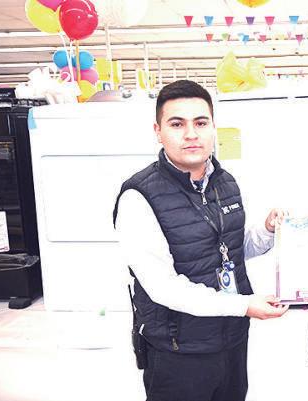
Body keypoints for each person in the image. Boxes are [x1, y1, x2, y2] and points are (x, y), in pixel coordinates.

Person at [113, 79, 288, 401]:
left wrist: (267, 230)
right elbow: (163, 287)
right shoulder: (138, 196)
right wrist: (244, 305)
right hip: (178, 349)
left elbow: (232, 248)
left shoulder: (225, 182)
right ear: (158, 131)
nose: (191, 134)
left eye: (201, 122)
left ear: (213, 127)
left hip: (232, 339)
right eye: (177, 124)